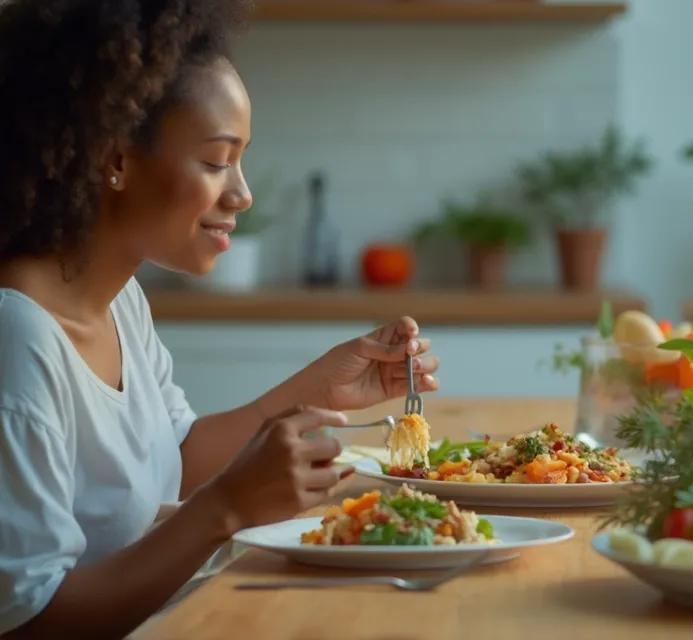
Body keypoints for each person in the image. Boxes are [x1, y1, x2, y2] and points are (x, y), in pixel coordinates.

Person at [0, 2, 441, 636]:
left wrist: (324, 387)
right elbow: (31, 622)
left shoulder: (119, 302)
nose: (242, 193)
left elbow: (175, 456)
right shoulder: (19, 343)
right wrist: (225, 508)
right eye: (215, 161)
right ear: (114, 159)